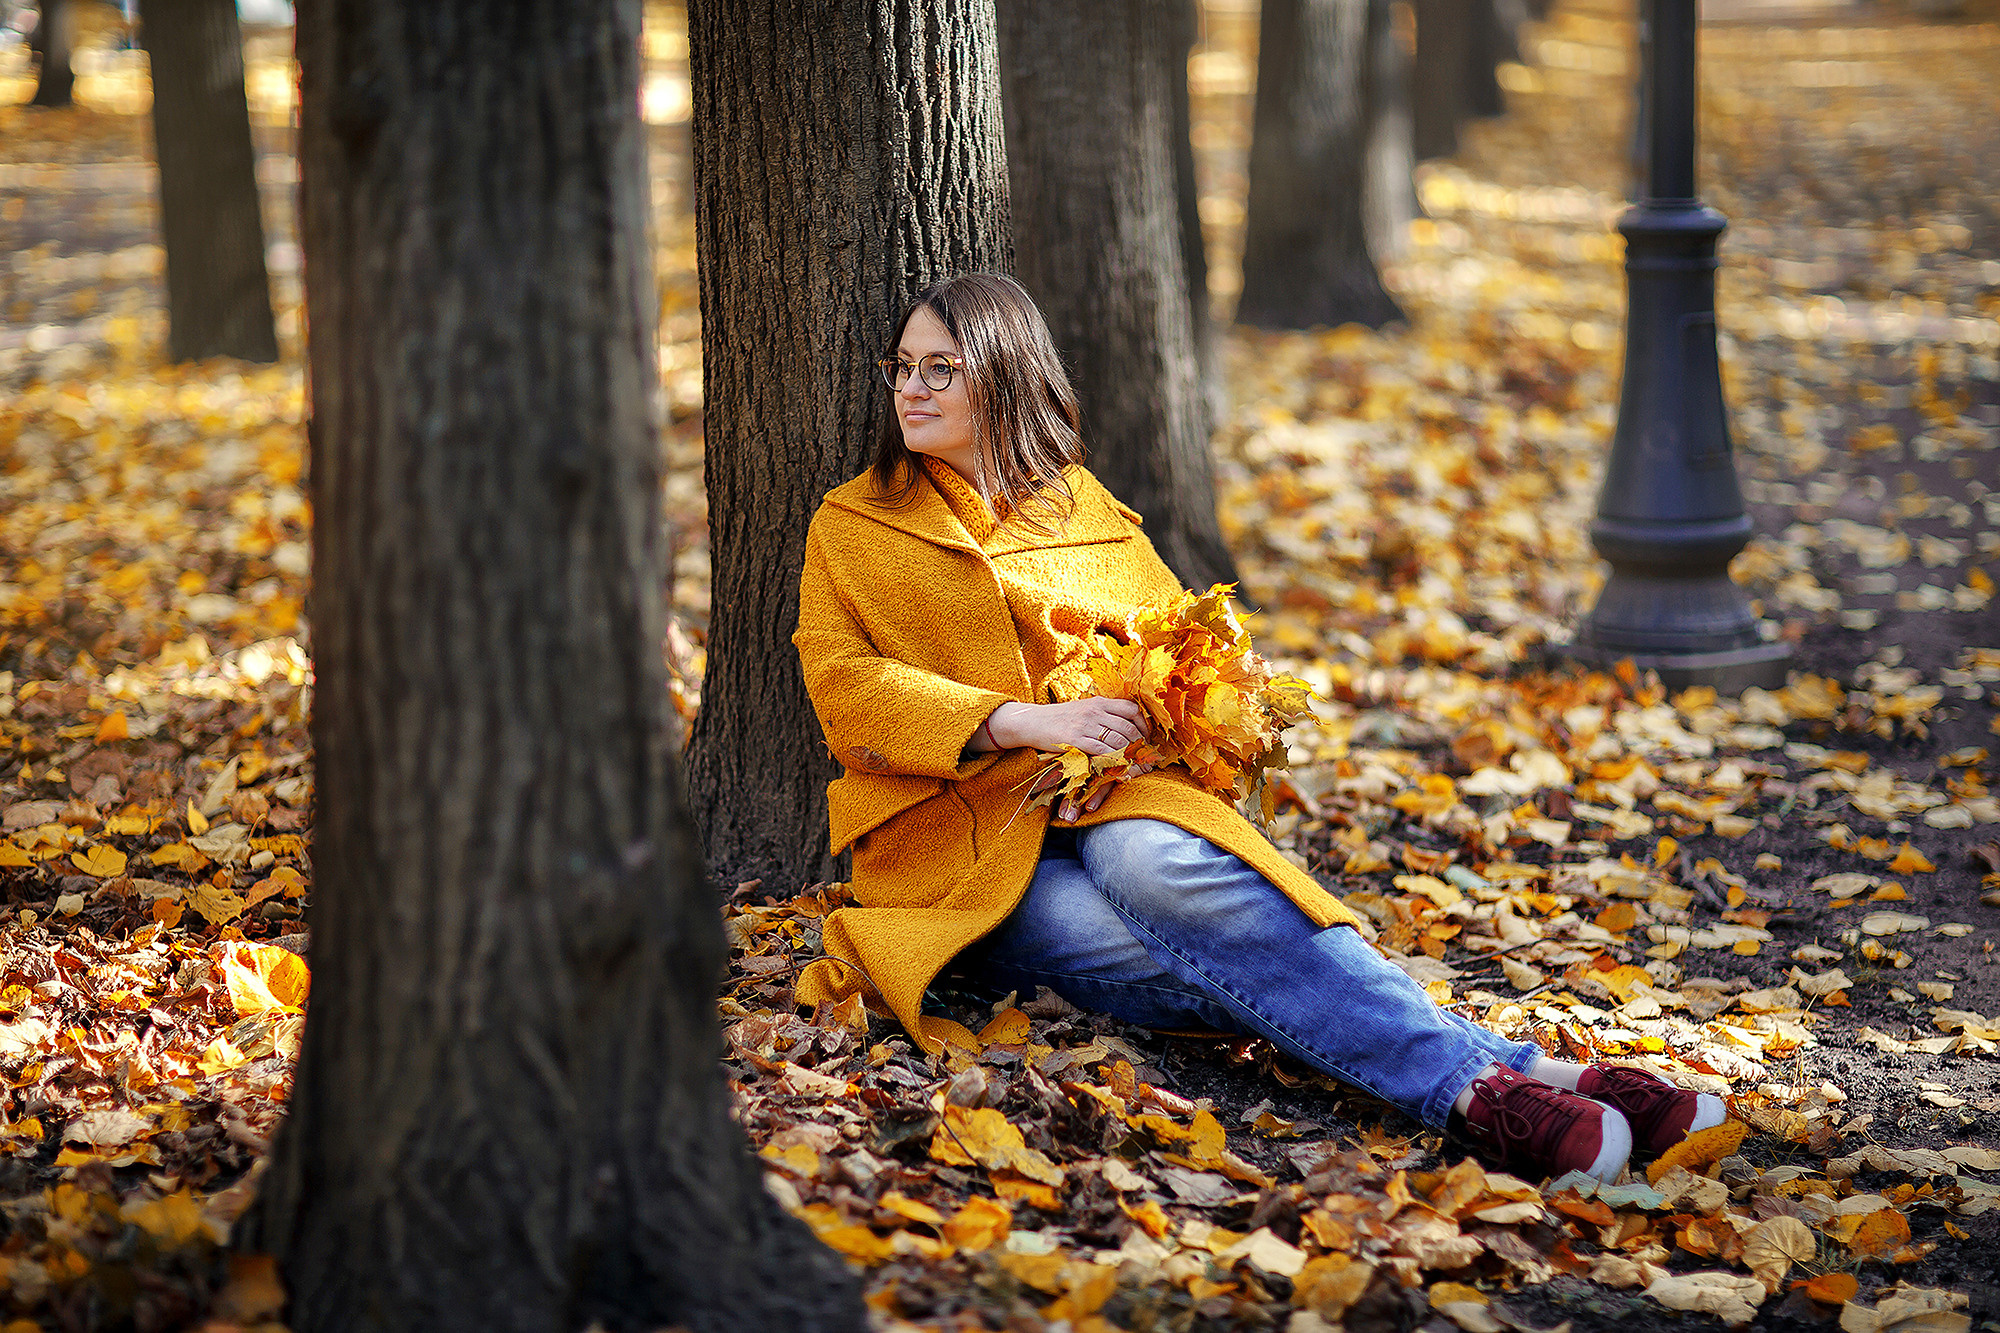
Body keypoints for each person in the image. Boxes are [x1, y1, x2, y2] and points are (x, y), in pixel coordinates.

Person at [792, 273, 1725, 1183]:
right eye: (902, 367)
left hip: (1111, 796)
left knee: (1156, 871)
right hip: (957, 849)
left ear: (999, 374)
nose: (910, 389)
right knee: (1219, 946)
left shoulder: (1085, 509)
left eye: (939, 368)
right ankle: (1496, 1077)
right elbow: (844, 685)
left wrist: (1173, 705)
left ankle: (1502, 1085)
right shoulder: (853, 521)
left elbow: (1180, 643)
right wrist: (1026, 720)